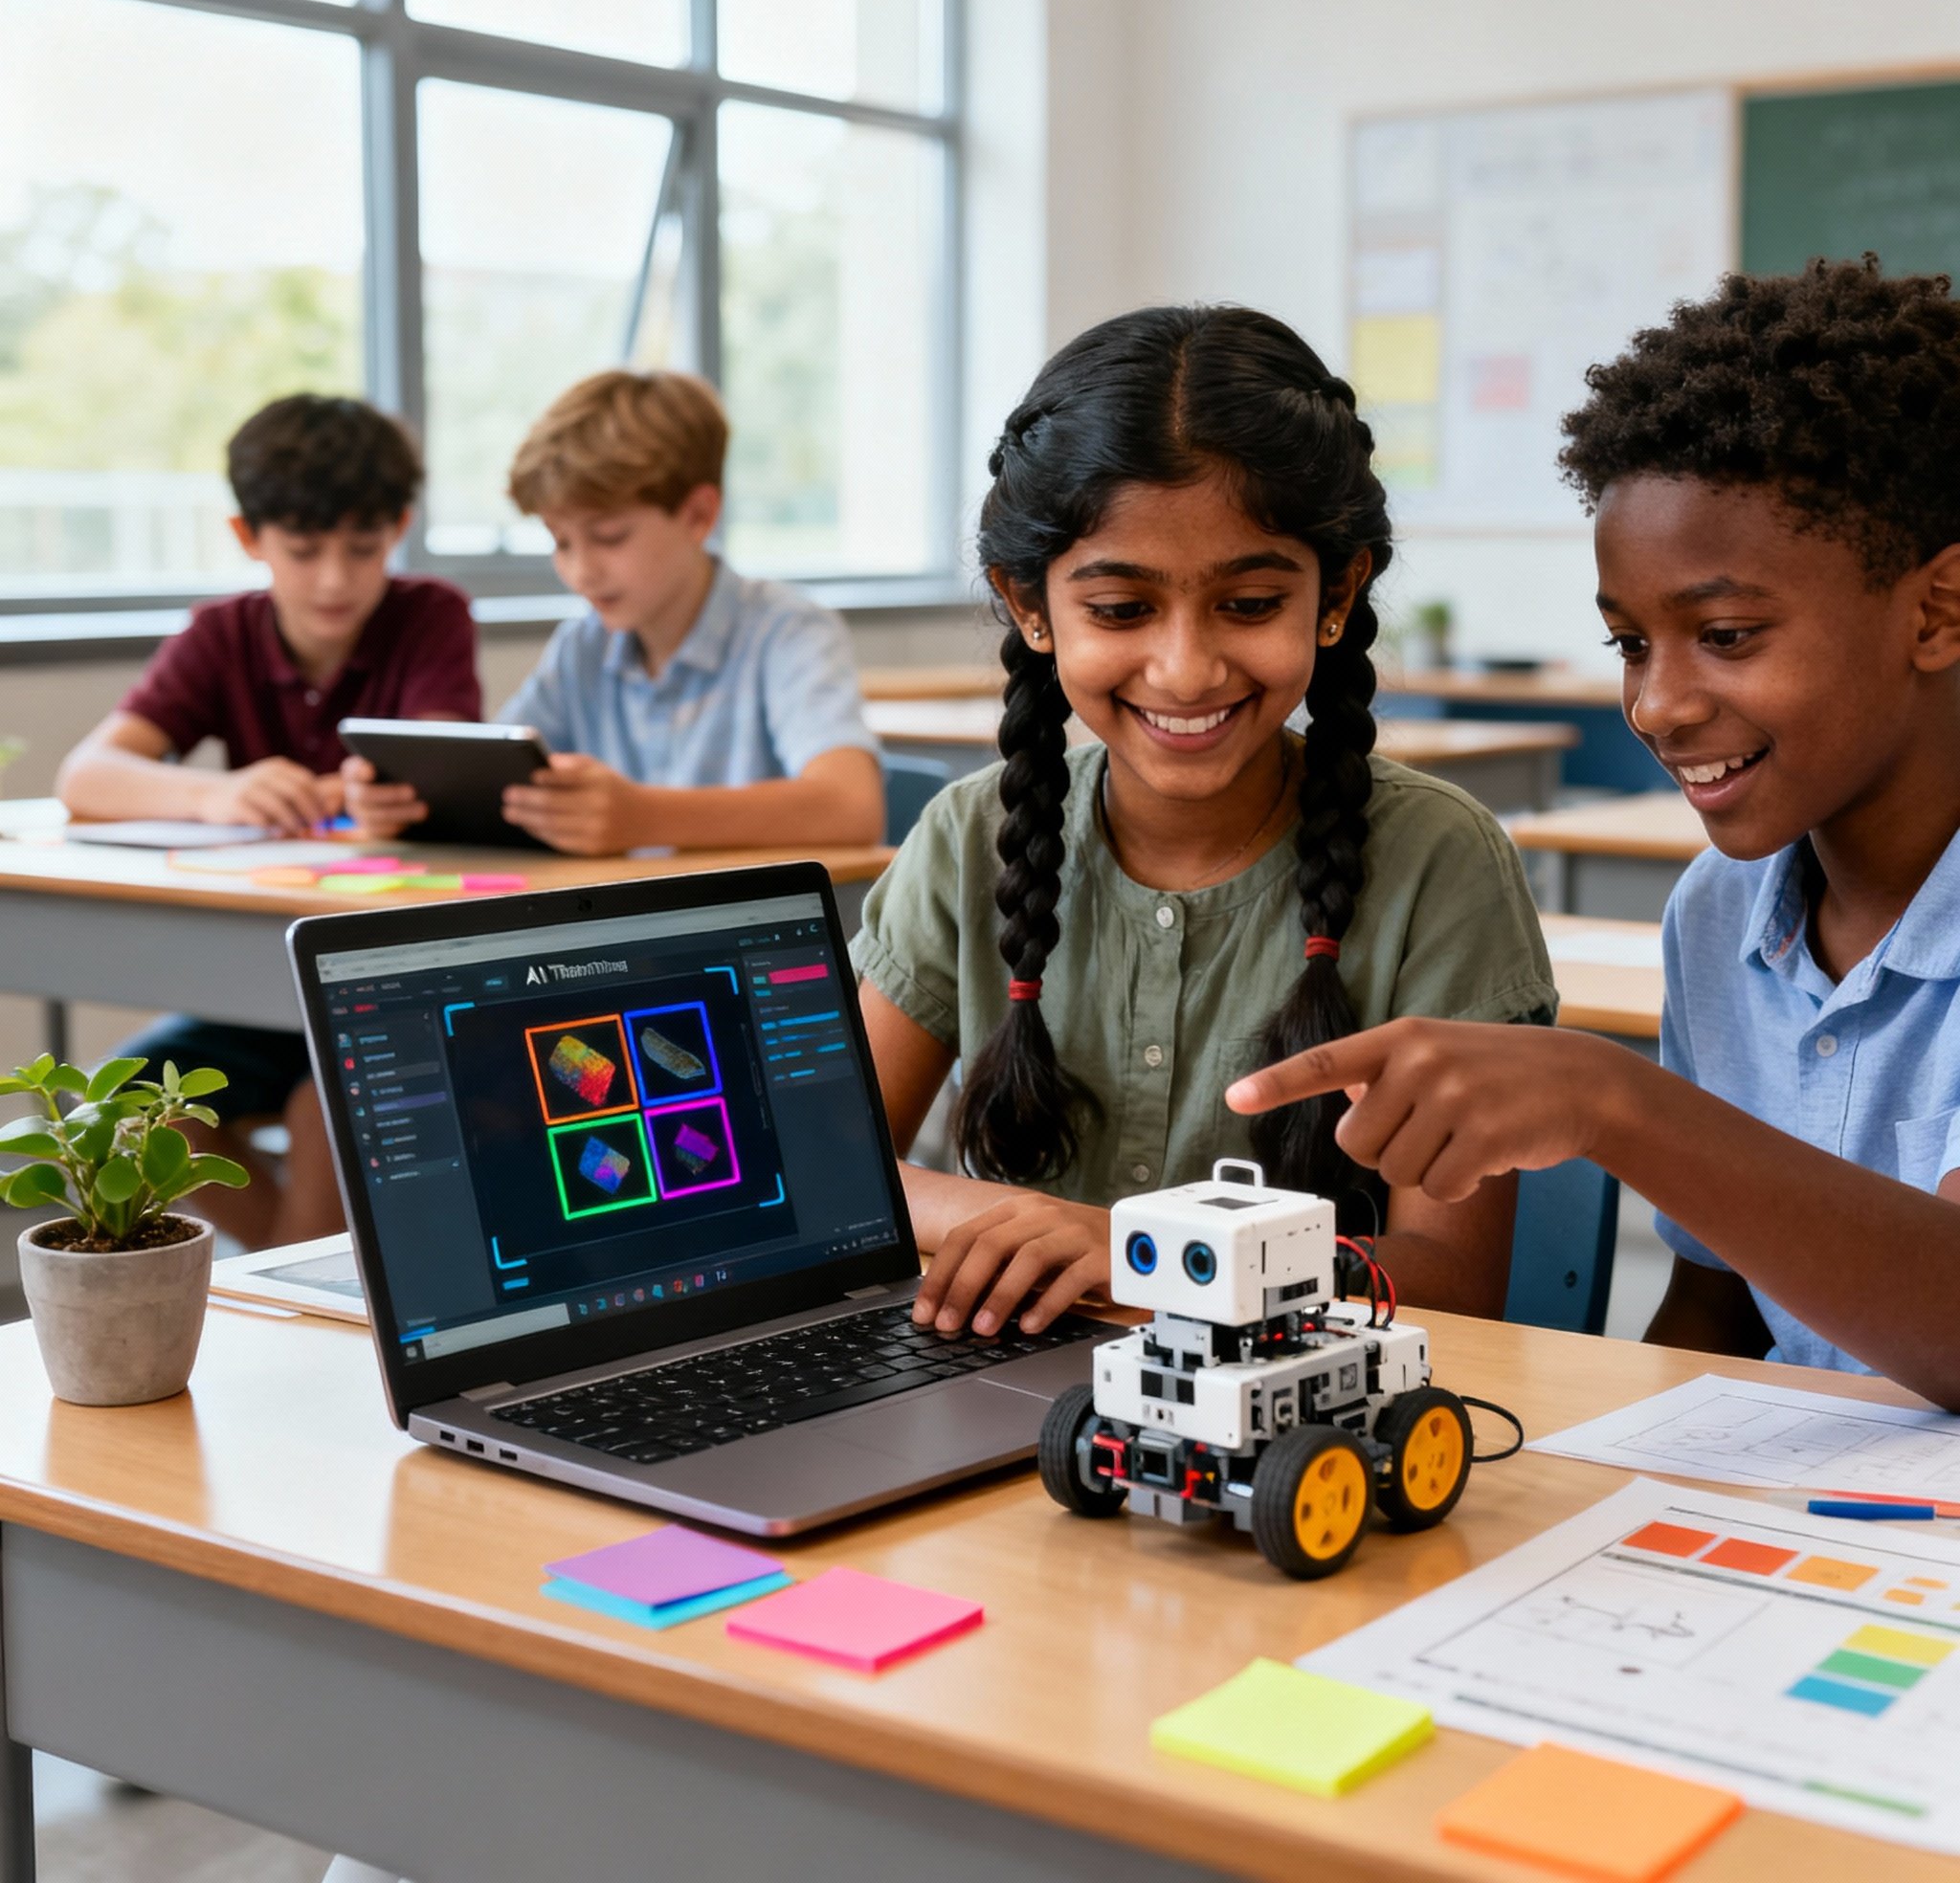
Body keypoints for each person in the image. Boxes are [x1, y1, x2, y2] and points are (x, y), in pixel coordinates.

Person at [1227, 256, 1960, 1409]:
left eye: (1725, 634)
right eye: (1628, 643)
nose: (1655, 704)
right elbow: (1717, 1308)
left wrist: (1615, 1100)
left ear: (1934, 609)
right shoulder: (1722, 912)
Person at [852, 304, 1556, 1340]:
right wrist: (1044, 1230)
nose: (1185, 670)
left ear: (1337, 592)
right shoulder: (968, 834)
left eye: (1249, 603)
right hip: (1006, 1385)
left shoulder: (1436, 859)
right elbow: (828, 1177)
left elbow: (1452, 1278)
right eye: (1120, 610)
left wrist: (1142, 1254)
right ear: (1030, 605)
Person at [56, 393, 480, 1247]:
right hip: (260, 983)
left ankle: (305, 1286)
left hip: (380, 983)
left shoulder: (430, 615)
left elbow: (445, 768)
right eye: (304, 549)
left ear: (398, 529)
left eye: (362, 548)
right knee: (120, 1102)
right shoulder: (223, 634)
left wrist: (392, 797)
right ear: (249, 537)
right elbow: (87, 775)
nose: (334, 579)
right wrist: (210, 794)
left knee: (329, 1110)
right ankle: (296, 1271)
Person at [491, 367, 882, 854]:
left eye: (610, 537)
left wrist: (644, 818)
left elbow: (852, 807)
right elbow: (491, 776)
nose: (581, 571)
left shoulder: (789, 633)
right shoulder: (582, 647)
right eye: (561, 542)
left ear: (698, 515)